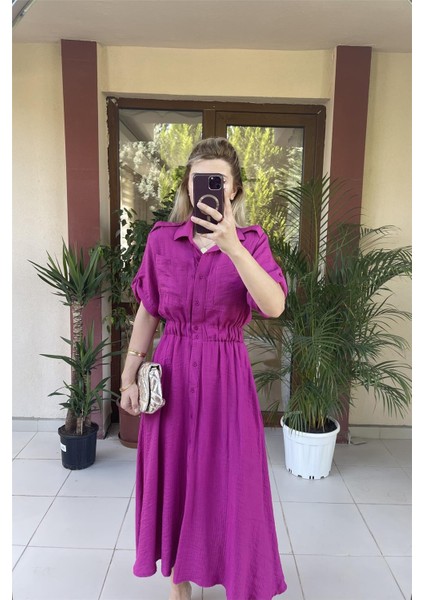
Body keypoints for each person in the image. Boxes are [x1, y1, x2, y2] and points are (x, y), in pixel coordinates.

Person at [120, 137, 288, 600]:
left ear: (233, 189)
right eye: (199, 180)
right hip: (171, 371)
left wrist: (233, 248)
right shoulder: (162, 240)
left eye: (218, 180)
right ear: (188, 187)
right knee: (173, 474)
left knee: (230, 481)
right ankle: (179, 583)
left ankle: (235, 573)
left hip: (226, 377)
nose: (208, 188)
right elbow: (149, 309)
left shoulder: (252, 243)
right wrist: (129, 375)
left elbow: (274, 305)